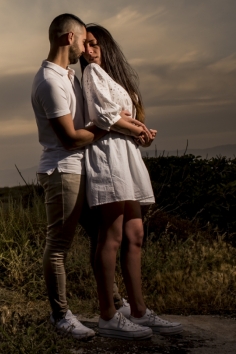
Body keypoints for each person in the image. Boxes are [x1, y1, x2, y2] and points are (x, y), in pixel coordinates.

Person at [31, 14, 142, 339]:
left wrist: (117, 118)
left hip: (84, 167)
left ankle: (115, 304)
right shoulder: (50, 82)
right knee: (58, 245)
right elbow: (70, 138)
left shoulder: (69, 78)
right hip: (63, 170)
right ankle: (60, 315)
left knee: (102, 236)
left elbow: (91, 120)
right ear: (69, 38)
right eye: (84, 40)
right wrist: (107, 125)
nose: (87, 48)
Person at [81, 24, 183, 339]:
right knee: (111, 234)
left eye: (94, 44)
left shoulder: (116, 79)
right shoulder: (91, 75)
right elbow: (105, 117)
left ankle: (139, 311)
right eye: (84, 45)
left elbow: (125, 119)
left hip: (125, 156)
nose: (89, 50)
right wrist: (130, 125)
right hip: (108, 156)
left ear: (106, 46)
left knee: (135, 233)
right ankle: (108, 315)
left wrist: (140, 132)